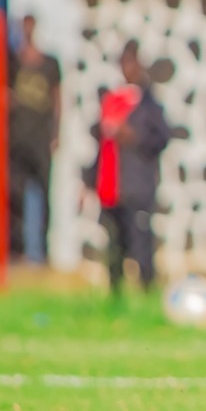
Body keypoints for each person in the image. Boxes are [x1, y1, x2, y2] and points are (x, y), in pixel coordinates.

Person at [84, 41, 170, 297]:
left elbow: (162, 137)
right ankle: (116, 293)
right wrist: (89, 180)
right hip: (113, 187)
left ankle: (147, 290)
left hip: (138, 185)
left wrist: (134, 136)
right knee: (114, 244)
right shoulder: (113, 100)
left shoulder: (148, 102)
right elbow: (100, 145)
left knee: (141, 241)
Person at [7, 14, 62, 262]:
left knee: (44, 195)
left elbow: (57, 98)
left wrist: (56, 133)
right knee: (15, 194)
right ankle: (16, 250)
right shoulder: (12, 63)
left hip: (40, 139)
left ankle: (44, 251)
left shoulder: (49, 63)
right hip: (17, 139)